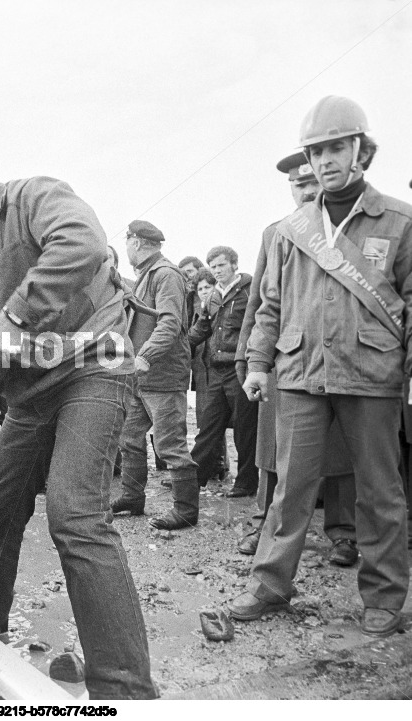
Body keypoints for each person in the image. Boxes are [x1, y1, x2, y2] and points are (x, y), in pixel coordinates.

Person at [0, 130, 156, 699]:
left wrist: (8, 325)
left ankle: (125, 693)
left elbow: (82, 243)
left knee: (75, 515)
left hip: (94, 365)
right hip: (30, 392)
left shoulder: (33, 196)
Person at [231, 96, 412, 638]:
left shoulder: (400, 222)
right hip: (301, 371)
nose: (325, 159)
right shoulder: (291, 229)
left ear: (362, 150)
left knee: (379, 490)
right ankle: (270, 586)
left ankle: (383, 596)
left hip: (372, 372)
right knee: (291, 486)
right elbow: (270, 305)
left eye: (336, 147)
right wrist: (259, 365)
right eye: (317, 150)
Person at [235, 152, 357, 563]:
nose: (306, 190)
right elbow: (259, 305)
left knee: (341, 450)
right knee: (274, 452)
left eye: (311, 182)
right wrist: (250, 361)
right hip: (287, 360)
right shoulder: (278, 232)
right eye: (297, 184)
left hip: (344, 357)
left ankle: (344, 532)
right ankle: (267, 526)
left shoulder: (352, 229)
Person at [110, 220, 198, 530]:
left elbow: (170, 324)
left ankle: (186, 510)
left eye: (127, 245)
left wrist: (145, 356)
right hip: (141, 377)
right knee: (130, 438)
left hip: (162, 376)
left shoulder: (165, 275)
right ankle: (133, 497)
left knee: (169, 444)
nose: (127, 251)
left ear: (135, 243)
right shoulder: (146, 276)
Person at [189, 245, 259, 497]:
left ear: (234, 264)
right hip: (216, 372)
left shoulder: (251, 291)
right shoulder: (212, 296)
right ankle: (195, 478)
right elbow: (201, 329)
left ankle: (247, 482)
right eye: (213, 266)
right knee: (208, 426)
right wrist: (182, 346)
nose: (217, 270)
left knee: (245, 429)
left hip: (241, 370)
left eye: (221, 265)